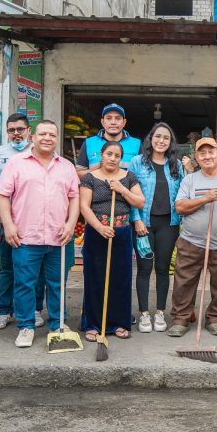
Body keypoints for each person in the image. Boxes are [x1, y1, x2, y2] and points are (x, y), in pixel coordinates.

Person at [0, 120, 80, 348]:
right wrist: (8, 225)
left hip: (59, 236)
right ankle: (26, 326)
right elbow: (1, 195)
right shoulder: (17, 163)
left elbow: (74, 197)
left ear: (57, 138)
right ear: (33, 137)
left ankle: (58, 323)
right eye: (43, 134)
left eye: (52, 134)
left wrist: (71, 224)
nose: (47, 138)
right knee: (25, 284)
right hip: (25, 236)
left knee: (57, 284)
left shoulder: (66, 166)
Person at [167, 137, 217, 337]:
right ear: (196, 157)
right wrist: (205, 198)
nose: (207, 156)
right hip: (191, 242)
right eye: (202, 153)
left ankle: (215, 319)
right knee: (184, 282)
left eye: (211, 152)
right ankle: (181, 319)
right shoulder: (190, 180)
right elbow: (180, 207)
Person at [0, 113, 47, 330]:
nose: (16, 134)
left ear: (29, 131)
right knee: (7, 269)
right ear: (7, 132)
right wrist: (3, 222)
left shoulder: (42, 153)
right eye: (11, 130)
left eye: (20, 129)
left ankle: (35, 309)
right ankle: (4, 311)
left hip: (34, 224)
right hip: (6, 224)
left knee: (36, 271)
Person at [79, 141, 144, 341]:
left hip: (122, 232)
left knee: (120, 279)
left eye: (117, 155)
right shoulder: (90, 177)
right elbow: (84, 206)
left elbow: (140, 202)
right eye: (109, 154)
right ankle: (93, 324)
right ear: (101, 154)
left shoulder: (129, 177)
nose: (113, 158)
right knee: (95, 277)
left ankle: (119, 322)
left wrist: (122, 190)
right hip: (96, 232)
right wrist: (99, 227)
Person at [130, 123, 185, 333]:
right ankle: (144, 314)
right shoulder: (137, 162)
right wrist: (136, 220)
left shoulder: (176, 164)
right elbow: (130, 192)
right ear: (150, 138)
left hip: (168, 224)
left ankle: (160, 312)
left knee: (162, 269)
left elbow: (183, 193)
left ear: (171, 143)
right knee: (144, 269)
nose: (161, 141)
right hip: (144, 224)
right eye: (158, 136)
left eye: (166, 138)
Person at [75, 103, 141, 178]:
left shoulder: (136, 144)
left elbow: (144, 175)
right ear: (102, 122)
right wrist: (96, 171)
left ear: (124, 122)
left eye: (118, 118)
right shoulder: (89, 143)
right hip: (96, 185)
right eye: (109, 118)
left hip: (127, 186)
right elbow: (77, 174)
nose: (113, 122)